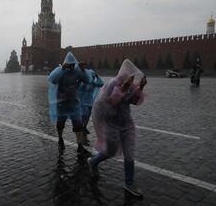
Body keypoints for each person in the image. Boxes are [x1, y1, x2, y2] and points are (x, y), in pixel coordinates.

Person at [87, 59, 147, 197]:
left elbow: (134, 101)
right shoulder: (112, 84)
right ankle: (93, 161)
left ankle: (129, 183)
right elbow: (107, 106)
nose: (131, 79)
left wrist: (141, 87)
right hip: (111, 125)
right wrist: (122, 90)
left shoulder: (131, 85)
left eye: (133, 76)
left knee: (129, 153)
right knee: (111, 151)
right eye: (130, 76)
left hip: (127, 124)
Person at [48, 52, 92, 154]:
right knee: (60, 123)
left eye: (73, 65)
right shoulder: (61, 71)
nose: (71, 67)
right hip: (61, 102)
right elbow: (52, 79)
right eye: (70, 65)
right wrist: (62, 69)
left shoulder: (77, 71)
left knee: (78, 123)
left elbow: (88, 80)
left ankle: (80, 145)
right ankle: (60, 138)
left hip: (74, 102)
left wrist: (83, 70)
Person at [79, 68, 104, 144]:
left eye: (93, 77)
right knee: (85, 114)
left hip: (90, 102)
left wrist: (97, 76)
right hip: (83, 102)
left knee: (88, 116)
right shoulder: (84, 83)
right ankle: (80, 128)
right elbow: (79, 91)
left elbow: (101, 83)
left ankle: (84, 127)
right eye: (91, 76)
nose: (92, 78)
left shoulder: (93, 83)